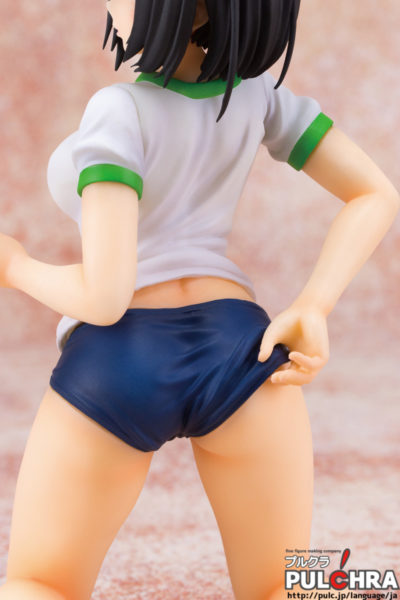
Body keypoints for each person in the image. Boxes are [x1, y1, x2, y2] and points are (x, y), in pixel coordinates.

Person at [0, 0, 399, 598]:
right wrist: (313, 305)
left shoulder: (117, 110)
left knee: (39, 582)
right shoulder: (258, 97)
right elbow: (375, 193)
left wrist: (15, 267)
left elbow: (105, 298)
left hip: (118, 359)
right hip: (244, 354)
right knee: (286, 585)